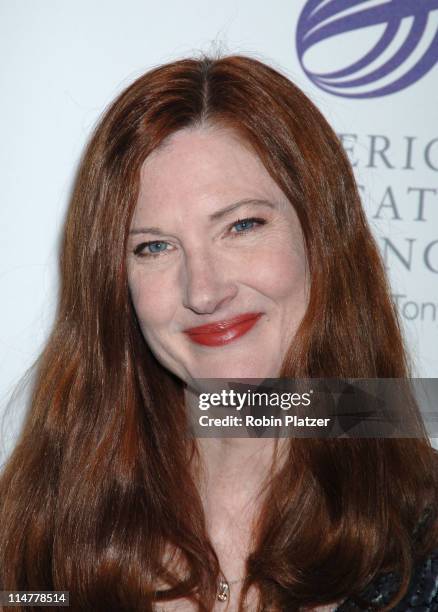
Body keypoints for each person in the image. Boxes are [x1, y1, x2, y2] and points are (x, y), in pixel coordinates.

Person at [0, 54, 437, 612]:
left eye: (242, 225)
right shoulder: (47, 530)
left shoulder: (423, 538)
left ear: (322, 241)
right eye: (153, 247)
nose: (203, 291)